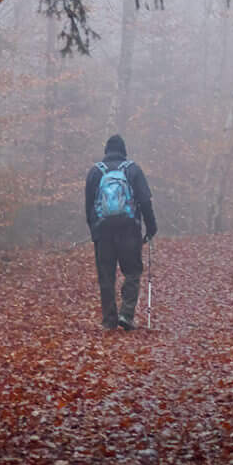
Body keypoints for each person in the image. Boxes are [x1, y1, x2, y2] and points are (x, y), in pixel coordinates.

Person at [85, 133, 157, 331]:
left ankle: (109, 320)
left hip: (103, 232)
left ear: (106, 151)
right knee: (132, 271)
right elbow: (145, 201)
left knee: (106, 276)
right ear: (124, 151)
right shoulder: (133, 170)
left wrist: (94, 232)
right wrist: (151, 228)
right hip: (129, 230)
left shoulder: (95, 172)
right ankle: (126, 313)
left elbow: (88, 206)